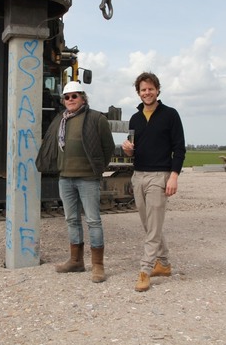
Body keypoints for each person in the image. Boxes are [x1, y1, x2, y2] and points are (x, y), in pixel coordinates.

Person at [36, 81, 115, 283]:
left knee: (93, 221)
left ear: (83, 98)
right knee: (71, 220)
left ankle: (98, 265)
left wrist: (97, 168)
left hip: (88, 178)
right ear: (63, 101)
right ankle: (76, 261)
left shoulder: (96, 119)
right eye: (67, 97)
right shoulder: (60, 120)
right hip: (65, 178)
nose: (70, 100)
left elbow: (108, 148)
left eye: (74, 96)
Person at [121, 72, 186, 292]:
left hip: (160, 176)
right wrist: (127, 149)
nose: (147, 93)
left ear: (157, 90)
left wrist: (174, 176)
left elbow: (179, 149)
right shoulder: (135, 119)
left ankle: (145, 270)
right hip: (138, 175)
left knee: (153, 226)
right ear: (138, 93)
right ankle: (164, 264)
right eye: (143, 90)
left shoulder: (170, 115)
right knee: (150, 225)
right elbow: (132, 149)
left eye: (150, 89)